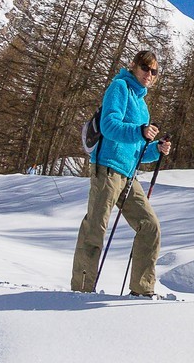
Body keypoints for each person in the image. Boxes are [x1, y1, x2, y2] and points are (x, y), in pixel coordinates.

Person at [71, 50, 173, 295]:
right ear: (133, 66)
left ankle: (142, 289)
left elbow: (137, 150)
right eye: (145, 68)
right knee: (95, 227)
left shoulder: (143, 105)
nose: (149, 74)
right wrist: (140, 131)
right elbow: (109, 125)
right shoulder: (119, 87)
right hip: (106, 168)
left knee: (150, 226)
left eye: (154, 71)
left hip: (128, 175)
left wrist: (156, 149)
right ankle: (81, 291)